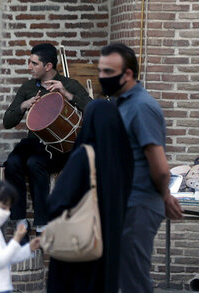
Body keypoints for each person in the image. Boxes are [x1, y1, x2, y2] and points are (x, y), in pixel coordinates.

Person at [97, 43, 183, 293]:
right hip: (124, 202)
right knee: (122, 276)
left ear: (128, 74)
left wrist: (164, 196)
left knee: (134, 279)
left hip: (140, 202)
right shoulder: (121, 104)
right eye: (101, 71)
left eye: (109, 72)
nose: (103, 77)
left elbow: (160, 166)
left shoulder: (142, 107)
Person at [3, 43, 92, 238]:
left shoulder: (69, 85)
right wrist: (24, 105)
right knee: (12, 163)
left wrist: (67, 95)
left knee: (35, 164)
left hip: (61, 147)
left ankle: (42, 223)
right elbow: (7, 122)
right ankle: (19, 220)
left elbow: (93, 110)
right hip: (34, 143)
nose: (29, 67)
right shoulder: (27, 88)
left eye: (34, 63)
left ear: (48, 66)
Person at [46, 100, 134, 293]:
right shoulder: (123, 159)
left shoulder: (84, 157)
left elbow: (57, 202)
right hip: (109, 246)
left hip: (80, 248)